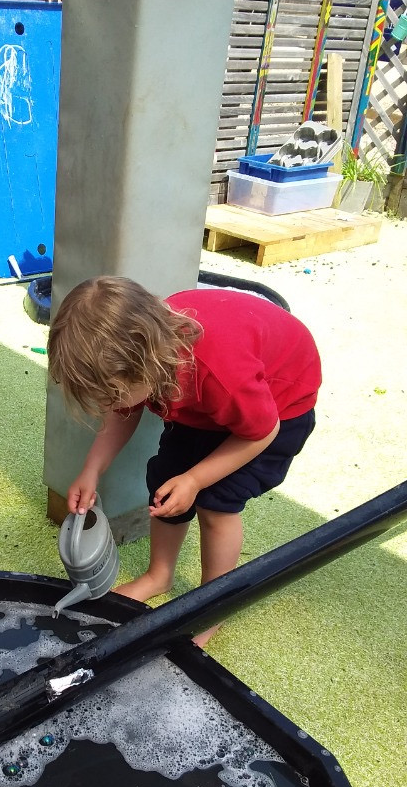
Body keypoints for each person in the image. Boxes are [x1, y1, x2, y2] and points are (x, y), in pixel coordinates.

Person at [47, 277, 321, 646]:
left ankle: (212, 607)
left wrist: (195, 479)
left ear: (146, 365)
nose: (111, 404)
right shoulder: (147, 358)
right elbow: (123, 409)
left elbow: (261, 432)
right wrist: (91, 469)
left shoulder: (222, 374)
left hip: (277, 409)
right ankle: (159, 575)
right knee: (165, 482)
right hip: (206, 406)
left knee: (217, 504)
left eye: (113, 394)